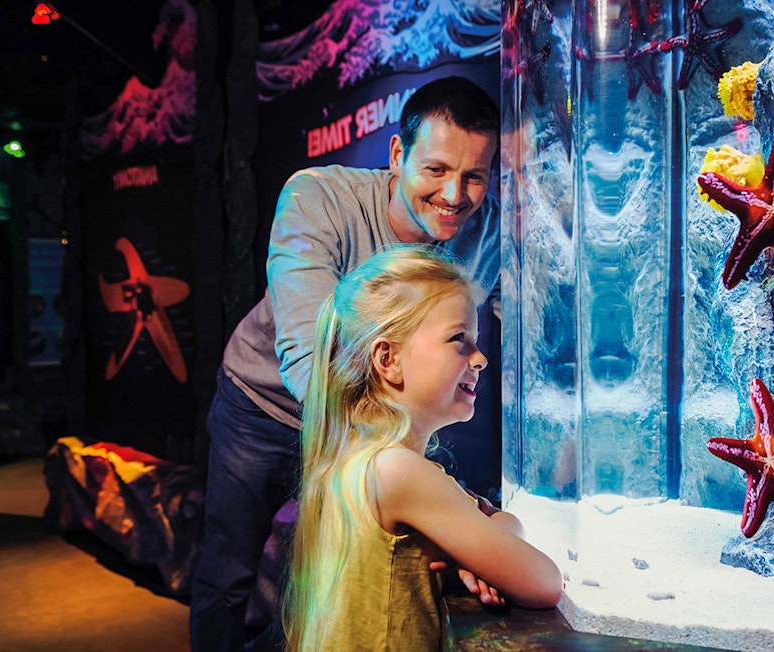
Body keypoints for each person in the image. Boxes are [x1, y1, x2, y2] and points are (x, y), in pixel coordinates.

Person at [189, 76, 502, 652]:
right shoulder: (317, 196)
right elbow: (308, 353)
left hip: (376, 435)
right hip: (267, 406)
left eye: (474, 176)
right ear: (397, 155)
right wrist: (430, 490)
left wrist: (475, 528)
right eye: (435, 170)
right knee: (231, 576)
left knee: (316, 579)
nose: (456, 195)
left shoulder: (488, 231)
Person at [283, 245, 562, 651]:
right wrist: (487, 542)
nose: (480, 358)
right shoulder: (398, 472)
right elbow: (544, 582)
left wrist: (482, 542)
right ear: (388, 359)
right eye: (459, 339)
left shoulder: (360, 460)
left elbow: (502, 521)